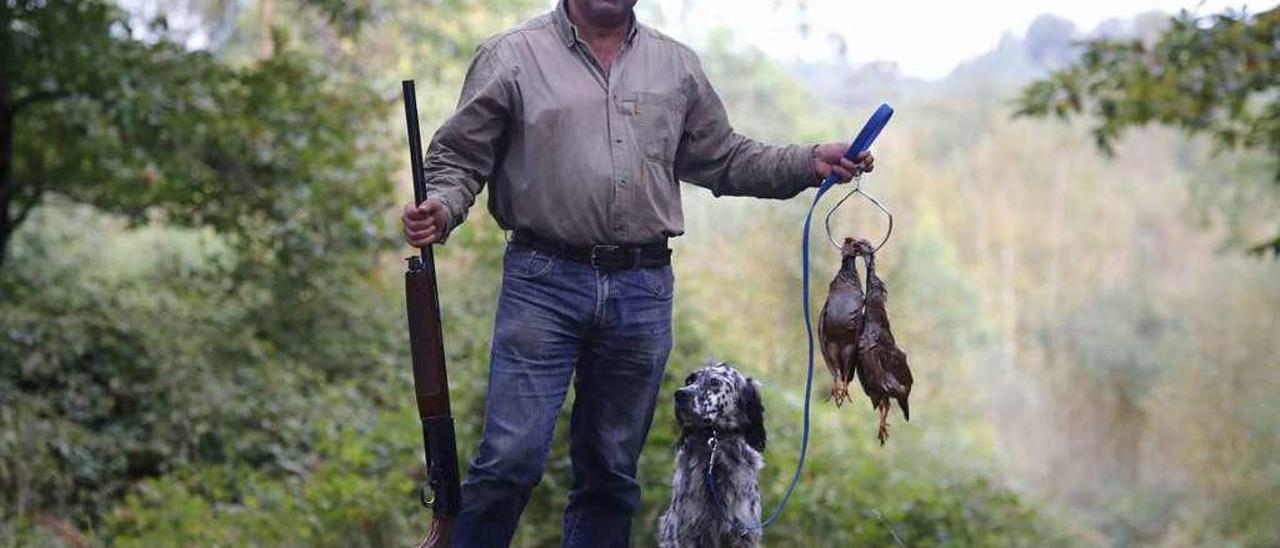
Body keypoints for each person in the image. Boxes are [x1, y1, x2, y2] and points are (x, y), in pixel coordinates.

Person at [401, 1, 872, 545]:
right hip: (542, 282)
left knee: (611, 473)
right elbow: (459, 158)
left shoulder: (676, 66)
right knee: (510, 460)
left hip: (642, 289)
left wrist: (809, 161)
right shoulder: (510, 56)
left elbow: (724, 157)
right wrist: (441, 205)